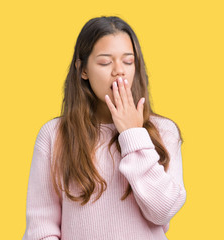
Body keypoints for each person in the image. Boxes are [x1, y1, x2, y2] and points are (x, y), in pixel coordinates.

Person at [22, 16, 186, 240]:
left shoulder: (163, 131)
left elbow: (162, 211)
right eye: (105, 62)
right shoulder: (54, 135)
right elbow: (41, 228)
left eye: (128, 62)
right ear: (83, 70)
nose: (119, 71)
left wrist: (133, 134)